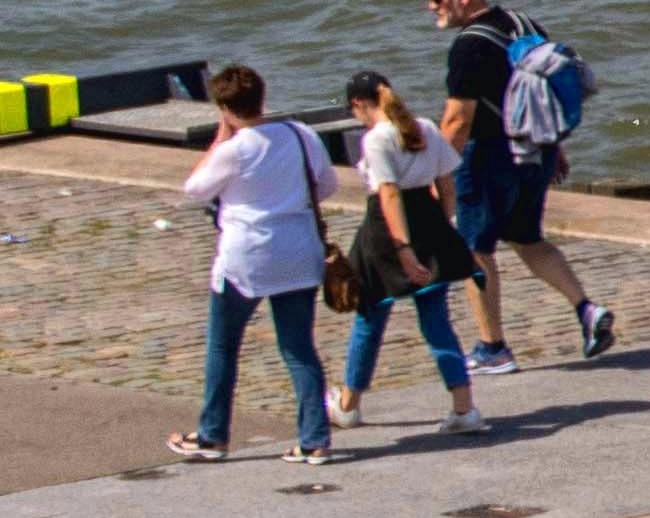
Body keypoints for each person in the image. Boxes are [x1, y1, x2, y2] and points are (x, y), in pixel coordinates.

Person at [425, 0, 610, 370]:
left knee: (475, 250)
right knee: (528, 239)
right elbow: (546, 91)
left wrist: (435, 172)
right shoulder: (524, 23)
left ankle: (493, 349)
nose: (432, 8)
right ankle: (587, 310)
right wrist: (554, 147)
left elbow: (457, 121)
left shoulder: (468, 46)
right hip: (536, 151)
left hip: (489, 157)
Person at [171, 65, 340, 469]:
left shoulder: (234, 149)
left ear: (225, 108)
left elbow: (195, 189)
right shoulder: (300, 134)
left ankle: (213, 434)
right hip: (298, 251)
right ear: (262, 98)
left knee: (223, 346)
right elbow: (328, 184)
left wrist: (220, 137)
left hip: (246, 258)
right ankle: (315, 440)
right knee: (298, 348)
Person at [322, 76, 491, 441]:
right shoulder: (426, 127)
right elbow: (447, 186)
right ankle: (464, 408)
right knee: (436, 321)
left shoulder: (376, 138)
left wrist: (403, 247)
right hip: (429, 221)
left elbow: (389, 194)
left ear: (358, 104)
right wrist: (440, 228)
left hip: (386, 233)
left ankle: (348, 406)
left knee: (370, 318)